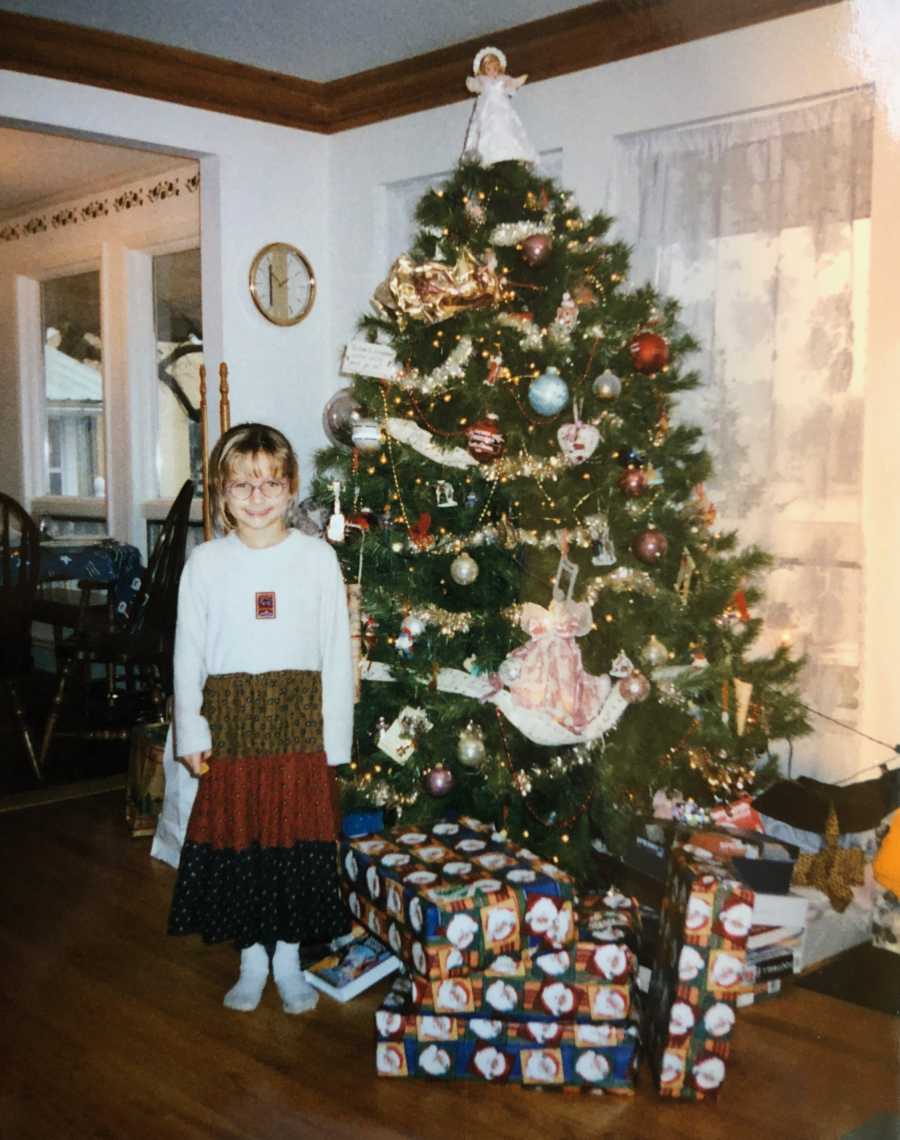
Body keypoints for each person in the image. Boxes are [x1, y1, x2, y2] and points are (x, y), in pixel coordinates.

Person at [166, 422, 354, 1015]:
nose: (257, 497)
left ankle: (289, 957)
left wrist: (336, 740)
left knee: (295, 839)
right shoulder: (206, 563)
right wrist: (192, 732)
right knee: (242, 837)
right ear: (222, 493)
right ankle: (252, 957)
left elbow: (333, 650)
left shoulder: (316, 558)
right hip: (233, 724)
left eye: (270, 483)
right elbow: (188, 652)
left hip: (299, 722)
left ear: (290, 487)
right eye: (243, 485)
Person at [463, 46, 538, 167]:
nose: (492, 71)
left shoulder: (502, 79)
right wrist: (471, 82)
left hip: (502, 108)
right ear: (483, 70)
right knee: (487, 128)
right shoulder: (483, 80)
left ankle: (510, 151)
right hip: (488, 110)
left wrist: (518, 81)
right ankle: (487, 155)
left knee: (506, 126)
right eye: (488, 69)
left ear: (499, 68)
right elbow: (474, 84)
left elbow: (512, 82)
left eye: (495, 68)